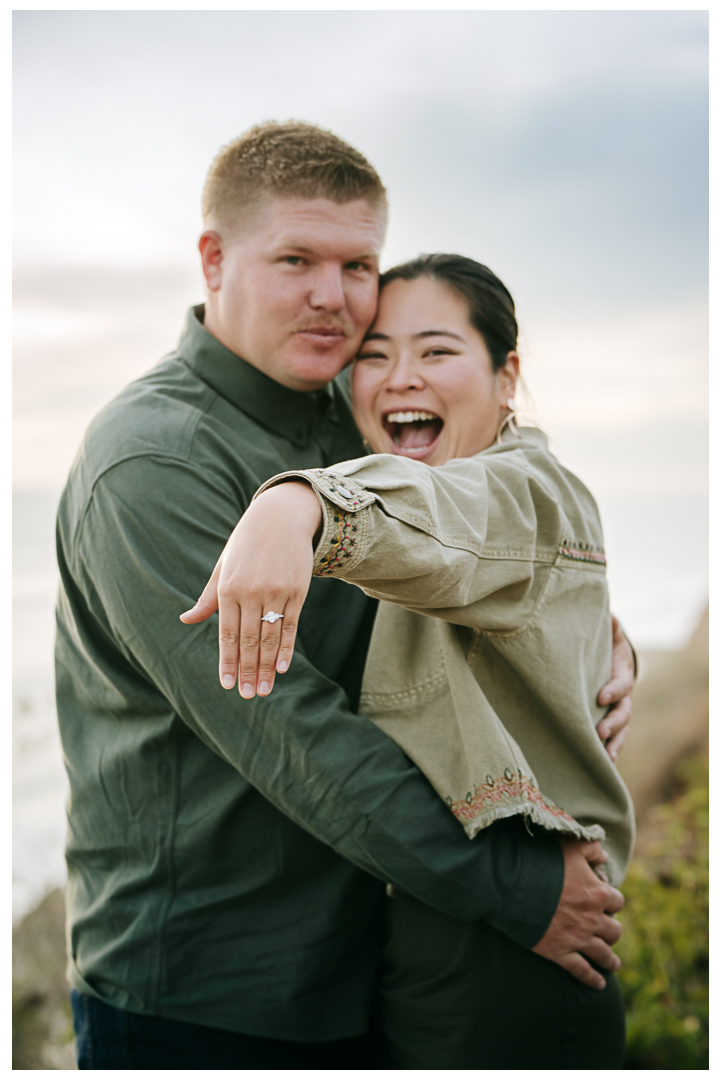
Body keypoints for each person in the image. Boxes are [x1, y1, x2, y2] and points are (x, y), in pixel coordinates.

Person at [56, 121, 633, 1070]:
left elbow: (460, 535)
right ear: (213, 259)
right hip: (209, 995)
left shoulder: (353, 406)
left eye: (358, 264)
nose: (333, 298)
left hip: (369, 961)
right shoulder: (152, 460)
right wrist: (516, 888)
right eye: (295, 259)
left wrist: (590, 641)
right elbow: (292, 730)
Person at [182, 253, 635, 1068]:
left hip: (523, 939)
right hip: (449, 925)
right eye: (375, 356)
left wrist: (301, 503)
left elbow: (455, 520)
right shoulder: (478, 483)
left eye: (435, 351)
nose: (399, 378)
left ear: (507, 376)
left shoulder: (519, 487)